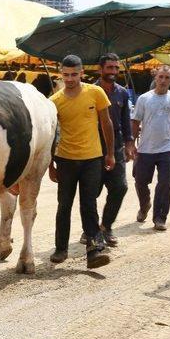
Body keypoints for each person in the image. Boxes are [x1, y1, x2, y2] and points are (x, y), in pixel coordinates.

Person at [48, 54, 114, 269]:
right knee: (63, 206)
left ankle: (94, 251)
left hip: (92, 159)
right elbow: (51, 134)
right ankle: (60, 248)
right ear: (61, 74)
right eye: (66, 75)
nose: (70, 79)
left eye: (74, 74)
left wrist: (110, 153)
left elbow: (106, 123)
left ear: (82, 73)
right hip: (65, 160)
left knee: (88, 204)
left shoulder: (96, 93)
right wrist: (50, 166)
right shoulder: (54, 102)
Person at [79, 53, 135, 247]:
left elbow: (126, 121)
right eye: (109, 68)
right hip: (92, 147)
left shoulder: (122, 93)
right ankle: (90, 230)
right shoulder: (88, 91)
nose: (113, 72)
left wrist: (129, 144)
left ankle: (106, 226)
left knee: (120, 187)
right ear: (100, 69)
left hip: (116, 146)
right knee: (90, 192)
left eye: (116, 68)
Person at [132, 65, 170, 231]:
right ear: (155, 78)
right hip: (145, 149)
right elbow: (135, 122)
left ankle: (159, 218)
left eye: (167, 78)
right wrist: (131, 145)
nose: (163, 80)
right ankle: (144, 205)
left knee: (165, 183)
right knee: (140, 181)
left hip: (167, 149)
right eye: (160, 77)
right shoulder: (144, 99)